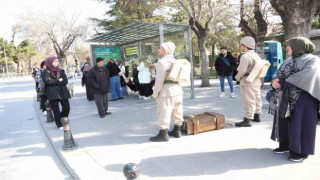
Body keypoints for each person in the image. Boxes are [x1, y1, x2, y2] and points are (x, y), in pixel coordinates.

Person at [270, 37, 320, 162]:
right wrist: (274, 81)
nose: (287, 48)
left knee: (301, 123)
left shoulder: (313, 60)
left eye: (290, 45)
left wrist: (282, 82)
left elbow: (308, 75)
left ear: (298, 47)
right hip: (285, 95)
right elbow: (278, 73)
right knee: (283, 120)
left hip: (304, 97)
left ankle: (301, 151)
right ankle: (285, 144)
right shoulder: (288, 60)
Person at [149, 42, 184, 142]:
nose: (158, 50)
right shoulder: (175, 61)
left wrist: (155, 93)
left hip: (166, 90)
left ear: (166, 50)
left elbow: (159, 80)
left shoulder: (162, 62)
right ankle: (177, 131)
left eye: (160, 48)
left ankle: (163, 134)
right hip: (177, 89)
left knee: (164, 111)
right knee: (177, 110)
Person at [235, 36, 262, 127]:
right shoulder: (256, 55)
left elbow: (242, 71)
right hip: (257, 80)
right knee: (257, 98)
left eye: (241, 45)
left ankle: (247, 119)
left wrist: (237, 78)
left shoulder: (245, 56)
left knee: (248, 99)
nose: (241, 47)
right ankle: (256, 116)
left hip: (247, 81)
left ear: (245, 45)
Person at [43, 56, 71, 129]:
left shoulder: (61, 70)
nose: (57, 62)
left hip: (62, 91)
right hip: (52, 92)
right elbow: (48, 81)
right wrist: (58, 80)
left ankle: (62, 118)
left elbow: (65, 81)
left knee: (66, 108)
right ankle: (59, 124)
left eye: (57, 61)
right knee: (56, 110)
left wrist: (54, 81)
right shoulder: (46, 71)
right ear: (50, 62)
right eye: (55, 61)